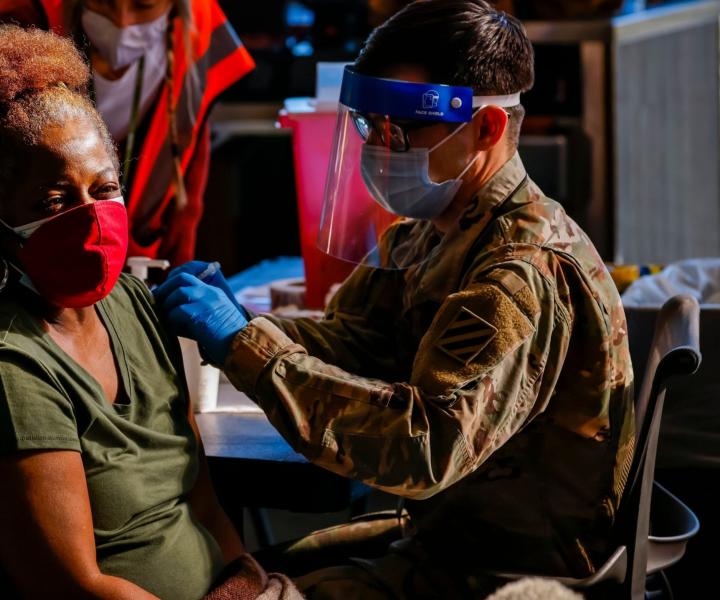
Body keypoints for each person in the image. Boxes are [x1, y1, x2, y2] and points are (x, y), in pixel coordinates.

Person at [156, 0, 634, 596]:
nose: (380, 148)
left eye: (400, 129)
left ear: (485, 128)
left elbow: (422, 448)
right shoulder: (434, 231)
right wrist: (247, 322)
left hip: (503, 568)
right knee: (228, 569)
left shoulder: (516, 273)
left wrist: (246, 346)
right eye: (368, 126)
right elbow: (366, 339)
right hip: (448, 534)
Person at [0, 27, 295, 600]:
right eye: (55, 200)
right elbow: (76, 588)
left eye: (104, 187)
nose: (91, 217)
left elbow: (203, 505)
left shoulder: (131, 302)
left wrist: (246, 584)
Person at [0, 0, 254, 265]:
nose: (122, 21)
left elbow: (187, 184)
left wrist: (180, 273)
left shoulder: (197, 32)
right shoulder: (21, 21)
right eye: (103, 1)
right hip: (38, 252)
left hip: (143, 258)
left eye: (144, 4)